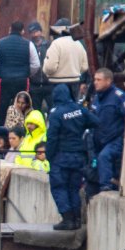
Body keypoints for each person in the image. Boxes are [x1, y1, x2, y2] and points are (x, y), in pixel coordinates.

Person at [46, 83, 99, 230]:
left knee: (59, 187)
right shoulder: (80, 109)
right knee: (73, 188)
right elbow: (95, 122)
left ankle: (67, 218)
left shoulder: (56, 114)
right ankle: (76, 219)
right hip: (79, 156)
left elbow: (51, 138)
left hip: (61, 157)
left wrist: (50, 157)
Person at [0, 21, 41, 127]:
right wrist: (27, 74)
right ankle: (22, 131)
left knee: (0, 109)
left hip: (4, 81)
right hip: (22, 81)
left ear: (10, 29)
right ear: (22, 31)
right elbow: (36, 65)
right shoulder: (29, 45)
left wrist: (1, 72)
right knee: (23, 108)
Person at [90, 68, 125, 193]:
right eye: (95, 80)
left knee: (104, 157)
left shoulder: (119, 97)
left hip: (114, 139)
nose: (95, 82)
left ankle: (105, 188)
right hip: (98, 139)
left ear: (108, 81)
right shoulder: (96, 98)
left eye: (99, 80)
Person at [44, 18, 88, 100]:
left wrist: (47, 72)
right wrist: (74, 71)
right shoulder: (78, 44)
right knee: (72, 106)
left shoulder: (56, 44)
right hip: (75, 83)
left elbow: (50, 67)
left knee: (59, 106)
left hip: (58, 84)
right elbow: (85, 66)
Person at [27, 21, 53, 113]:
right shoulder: (29, 46)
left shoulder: (49, 45)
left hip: (49, 84)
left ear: (41, 32)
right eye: (32, 32)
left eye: (36, 31)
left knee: (53, 110)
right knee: (36, 112)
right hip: (34, 85)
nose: (35, 34)